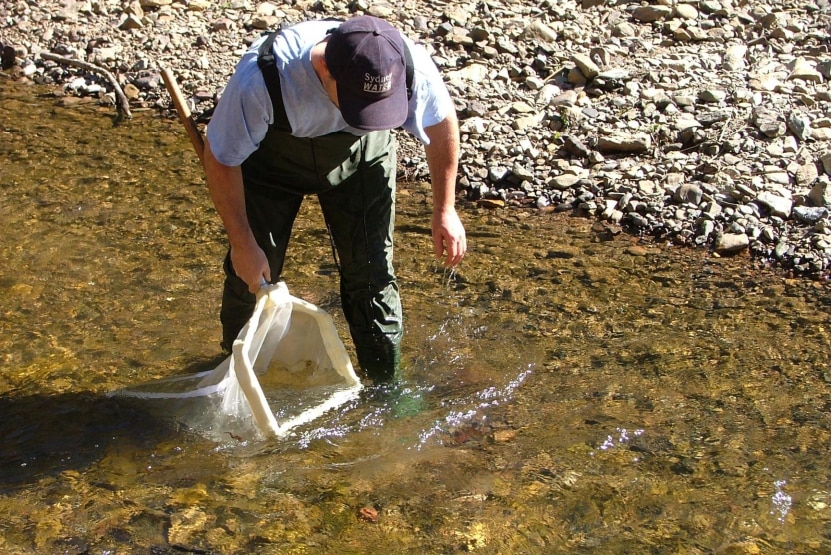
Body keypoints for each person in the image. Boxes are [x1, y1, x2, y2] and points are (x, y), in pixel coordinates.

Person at [203, 15, 467, 381]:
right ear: (324, 66)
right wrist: (242, 242)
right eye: (358, 101)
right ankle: (234, 376)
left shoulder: (405, 64)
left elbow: (441, 125)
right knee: (249, 274)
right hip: (269, 164)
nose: (366, 111)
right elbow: (220, 158)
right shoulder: (260, 80)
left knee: (372, 275)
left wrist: (445, 209)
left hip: (361, 156)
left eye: (377, 105)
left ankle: (385, 386)